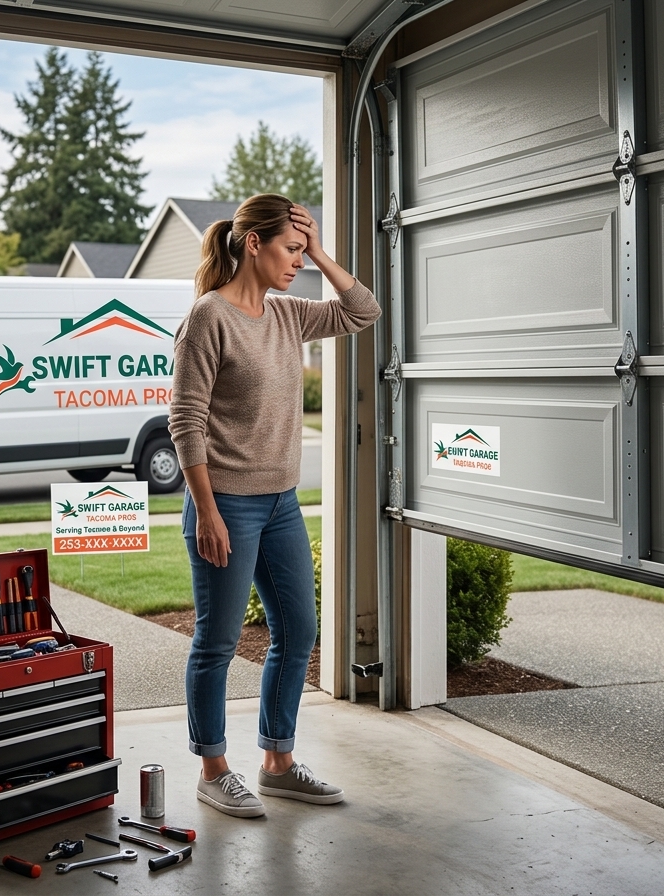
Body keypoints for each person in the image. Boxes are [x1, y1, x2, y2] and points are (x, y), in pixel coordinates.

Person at [168, 193, 381, 817]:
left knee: (299, 631)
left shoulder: (290, 313)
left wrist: (318, 250)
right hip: (226, 505)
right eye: (290, 250)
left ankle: (278, 763)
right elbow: (185, 419)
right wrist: (205, 510)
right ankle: (213, 769)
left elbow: (363, 312)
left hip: (281, 502)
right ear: (252, 245)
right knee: (217, 640)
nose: (298, 263)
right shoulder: (209, 318)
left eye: (302, 252)